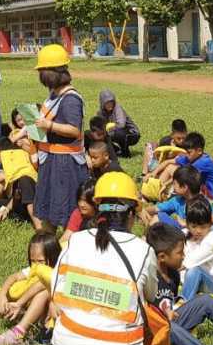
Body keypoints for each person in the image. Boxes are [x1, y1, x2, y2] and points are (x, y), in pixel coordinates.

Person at [49, 172, 157, 345]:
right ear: (131, 214)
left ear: (98, 210)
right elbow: (151, 295)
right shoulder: (143, 250)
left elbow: (55, 286)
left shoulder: (75, 241)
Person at [31, 44, 89, 231]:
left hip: (65, 164)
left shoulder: (71, 99)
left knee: (66, 209)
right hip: (51, 160)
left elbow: (74, 130)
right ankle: (48, 244)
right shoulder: (54, 95)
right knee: (49, 209)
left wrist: (49, 126)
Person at [98, 89, 140, 158]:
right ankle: (116, 150)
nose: (110, 104)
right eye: (107, 103)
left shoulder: (117, 108)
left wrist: (109, 129)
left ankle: (125, 153)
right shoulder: (101, 113)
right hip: (117, 132)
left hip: (132, 133)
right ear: (102, 103)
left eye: (111, 102)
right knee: (100, 135)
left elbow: (121, 124)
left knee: (116, 133)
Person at [59, 180, 96, 247]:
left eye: (86, 201)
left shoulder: (104, 215)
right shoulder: (77, 213)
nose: (82, 204)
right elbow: (66, 237)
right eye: (79, 200)